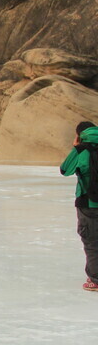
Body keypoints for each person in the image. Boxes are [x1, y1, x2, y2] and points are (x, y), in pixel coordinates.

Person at [60, 121, 98, 291]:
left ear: (79, 135)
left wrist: (76, 147)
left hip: (87, 203)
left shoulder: (81, 150)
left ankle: (95, 280)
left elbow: (64, 170)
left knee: (91, 240)